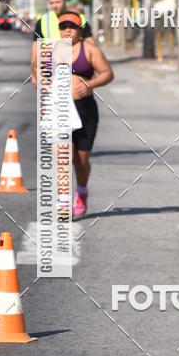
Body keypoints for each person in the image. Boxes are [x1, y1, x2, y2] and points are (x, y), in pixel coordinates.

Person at [58, 11, 113, 219]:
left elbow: (108, 73)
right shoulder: (51, 50)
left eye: (72, 26)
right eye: (64, 27)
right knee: (63, 157)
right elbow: (42, 75)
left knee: (81, 160)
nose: (68, 30)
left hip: (85, 109)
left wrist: (90, 84)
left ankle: (81, 192)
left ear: (80, 29)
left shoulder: (89, 49)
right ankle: (63, 204)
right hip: (59, 108)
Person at [30, 0, 94, 86]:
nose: (55, 6)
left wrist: (92, 67)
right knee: (51, 99)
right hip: (51, 68)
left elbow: (90, 43)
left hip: (76, 66)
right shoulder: (43, 21)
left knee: (78, 97)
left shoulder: (79, 19)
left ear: (65, 0)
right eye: (51, 3)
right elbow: (36, 48)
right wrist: (34, 75)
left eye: (58, 2)